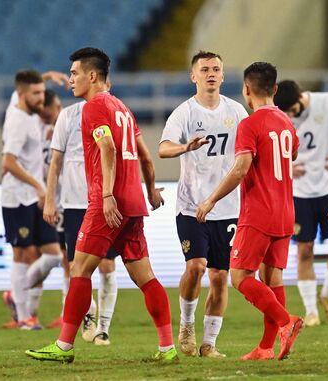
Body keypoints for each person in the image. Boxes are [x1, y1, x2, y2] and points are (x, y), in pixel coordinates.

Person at [26, 47, 176, 363]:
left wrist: (107, 195)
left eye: (75, 73)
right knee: (145, 276)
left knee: (79, 270)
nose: (70, 80)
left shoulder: (94, 107)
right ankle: (167, 347)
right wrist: (149, 190)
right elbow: (146, 156)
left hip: (108, 203)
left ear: (92, 76)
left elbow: (106, 148)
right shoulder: (123, 108)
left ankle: (64, 346)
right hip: (133, 202)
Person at [197, 62, 303, 361]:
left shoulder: (250, 124)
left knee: (241, 277)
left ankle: (286, 321)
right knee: (273, 279)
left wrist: (211, 200)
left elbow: (241, 168)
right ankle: (267, 347)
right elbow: (292, 152)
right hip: (285, 211)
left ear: (246, 90)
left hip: (259, 211)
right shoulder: (285, 121)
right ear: (275, 89)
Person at [158, 51, 248, 358]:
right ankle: (185, 325)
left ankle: (209, 344)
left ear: (223, 76)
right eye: (205, 69)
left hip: (229, 208)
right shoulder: (184, 113)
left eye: (216, 69)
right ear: (193, 76)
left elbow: (251, 152)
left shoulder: (237, 111)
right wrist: (185, 146)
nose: (211, 73)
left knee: (220, 277)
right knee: (195, 266)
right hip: (191, 206)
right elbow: (163, 148)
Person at [44, 92, 119, 345]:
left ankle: (104, 328)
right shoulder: (68, 115)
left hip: (102, 202)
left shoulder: (114, 112)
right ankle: (88, 314)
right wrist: (50, 199)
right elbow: (56, 161)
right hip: (74, 204)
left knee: (107, 266)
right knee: (77, 268)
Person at [274, 80, 328, 327]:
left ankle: (327, 293)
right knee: (304, 251)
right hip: (299, 193)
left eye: (293, 111)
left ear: (301, 98)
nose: (290, 116)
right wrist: (287, 166)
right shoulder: (280, 116)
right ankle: (311, 310)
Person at [1, 70, 63, 330]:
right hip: (18, 197)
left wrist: (46, 76)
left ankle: (16, 296)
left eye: (42, 92)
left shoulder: (23, 107)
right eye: (36, 93)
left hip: (35, 197)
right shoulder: (17, 122)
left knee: (52, 254)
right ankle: (26, 317)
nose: (42, 97)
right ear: (24, 95)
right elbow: (8, 161)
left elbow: (25, 84)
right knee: (23, 254)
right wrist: (39, 186)